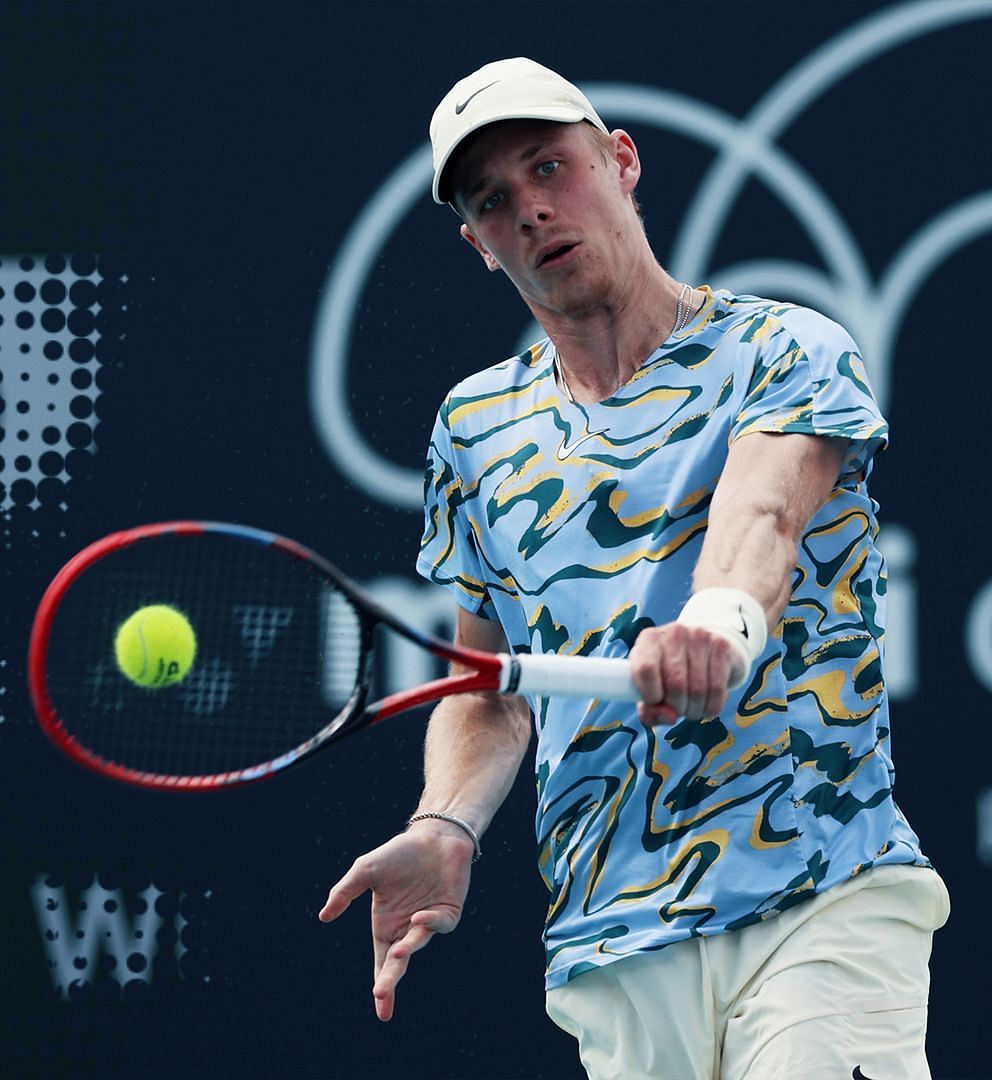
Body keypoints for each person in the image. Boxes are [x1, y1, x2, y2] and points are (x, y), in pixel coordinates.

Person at [318, 58, 946, 1078]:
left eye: (550, 167)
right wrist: (446, 823)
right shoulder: (476, 430)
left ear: (620, 162)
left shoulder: (786, 347)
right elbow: (489, 687)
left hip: (821, 894)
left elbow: (765, 517)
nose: (531, 209)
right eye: (494, 200)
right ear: (476, 242)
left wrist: (719, 627)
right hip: (614, 947)